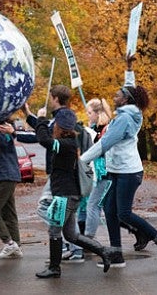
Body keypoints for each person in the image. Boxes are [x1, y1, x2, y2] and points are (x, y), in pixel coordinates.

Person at [80, 55, 157, 267]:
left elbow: (104, 144)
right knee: (108, 208)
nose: (115, 94)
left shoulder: (124, 119)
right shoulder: (129, 111)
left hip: (128, 172)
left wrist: (82, 160)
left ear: (126, 99)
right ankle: (116, 253)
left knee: (123, 212)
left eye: (119, 94)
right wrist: (129, 68)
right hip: (118, 170)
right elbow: (130, 87)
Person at [34, 109, 111, 278]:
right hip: (69, 195)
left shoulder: (66, 144)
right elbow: (43, 135)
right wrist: (34, 119)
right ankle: (103, 251)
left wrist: (40, 118)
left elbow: (44, 140)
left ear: (59, 126)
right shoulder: (67, 142)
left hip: (65, 196)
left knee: (54, 231)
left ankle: (55, 268)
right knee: (71, 234)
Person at [0, 118, 23, 259]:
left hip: (4, 175)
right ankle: (16, 245)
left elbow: (0, 144)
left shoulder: (3, 131)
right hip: (5, 175)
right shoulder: (4, 131)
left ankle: (9, 243)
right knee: (8, 212)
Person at [83, 98, 112, 241]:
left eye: (89, 113)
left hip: (104, 171)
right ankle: (138, 230)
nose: (87, 115)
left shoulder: (106, 128)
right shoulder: (95, 128)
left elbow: (102, 149)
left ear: (97, 113)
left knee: (93, 205)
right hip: (97, 171)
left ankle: (88, 238)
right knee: (108, 207)